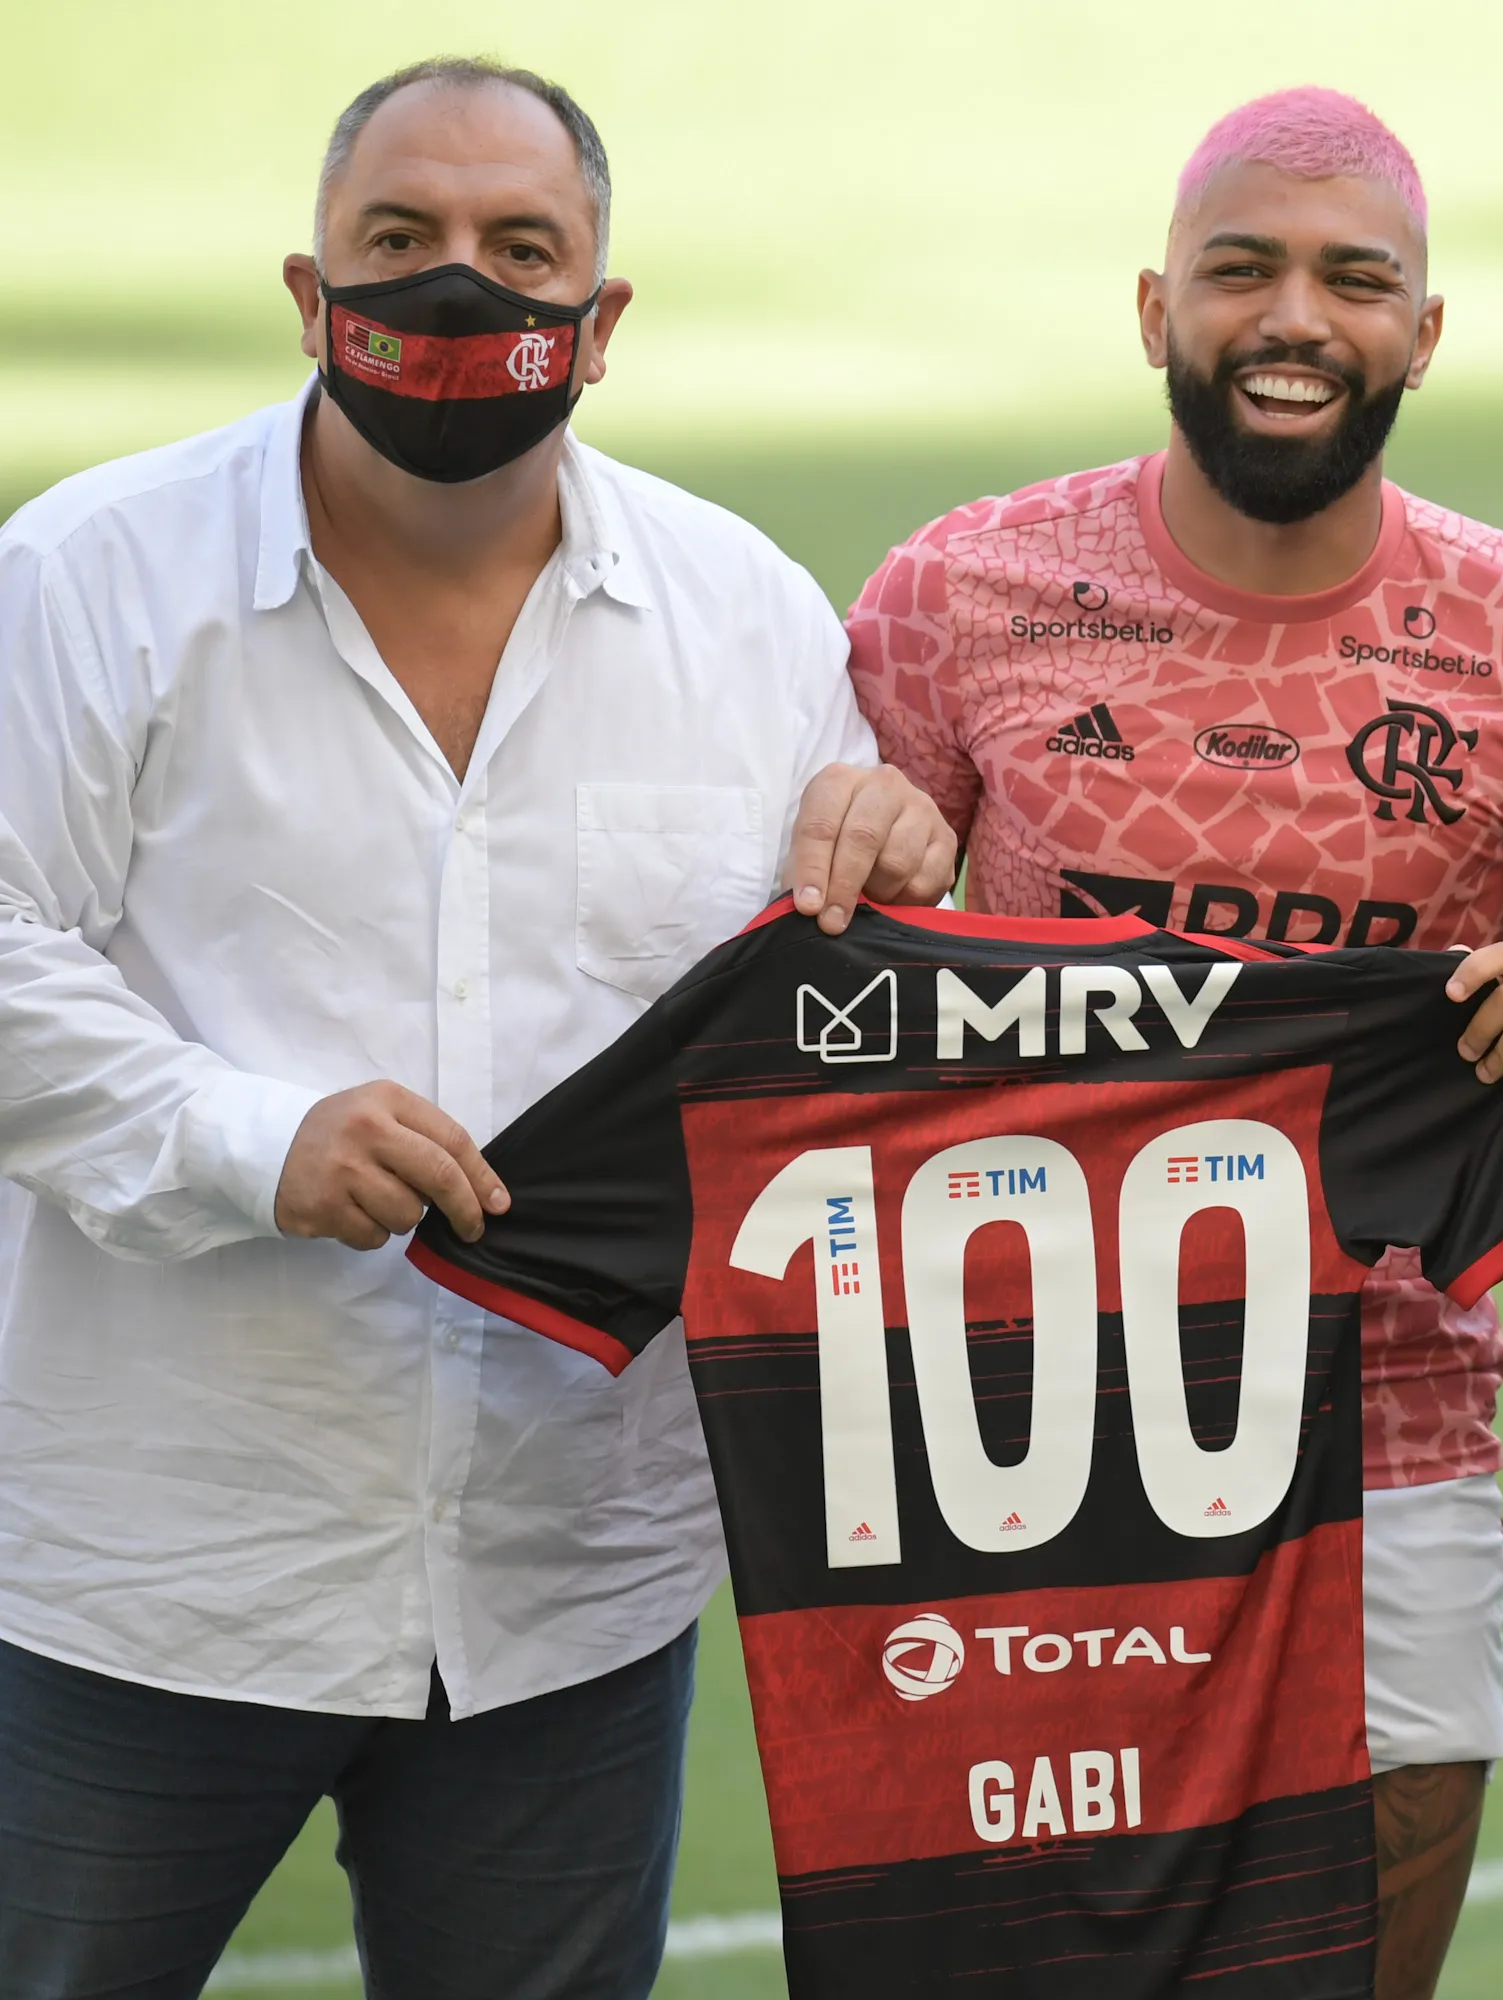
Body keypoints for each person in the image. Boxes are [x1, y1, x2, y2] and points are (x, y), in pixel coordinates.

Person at [0, 59, 956, 1992]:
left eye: (522, 252)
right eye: (401, 243)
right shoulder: (87, 579)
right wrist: (248, 1137)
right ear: (308, 291)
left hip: (565, 1589)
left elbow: (828, 1009)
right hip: (151, 1570)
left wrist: (901, 846)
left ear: (600, 325)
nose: (460, 289)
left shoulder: (750, 621)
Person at [843, 88, 1503, 1998]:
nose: (1296, 316)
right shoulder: (959, 596)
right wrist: (858, 842)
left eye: (1354, 278)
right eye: (1243, 270)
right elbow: (818, 1004)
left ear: (1425, 332)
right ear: (1155, 307)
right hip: (1008, 1431)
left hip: (1383, 1430)